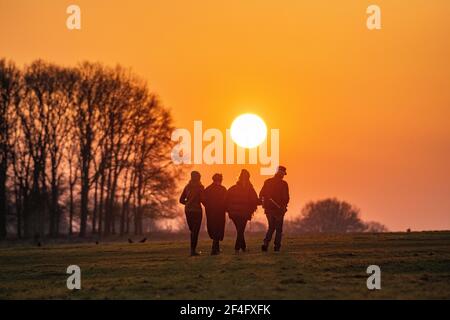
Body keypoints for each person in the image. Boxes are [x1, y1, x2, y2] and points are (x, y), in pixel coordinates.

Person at [226, 169, 260, 253]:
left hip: (234, 214)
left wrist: (229, 210)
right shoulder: (250, 189)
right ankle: (237, 248)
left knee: (240, 230)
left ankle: (243, 248)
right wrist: (261, 202)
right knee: (240, 230)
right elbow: (255, 200)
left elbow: (225, 200)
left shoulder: (232, 188)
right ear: (248, 178)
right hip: (244, 213)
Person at [259, 166, 290, 252]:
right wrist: (283, 206)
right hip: (279, 210)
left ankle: (266, 243)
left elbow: (261, 194)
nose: (284, 176)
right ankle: (277, 246)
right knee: (278, 229)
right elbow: (286, 198)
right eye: (283, 174)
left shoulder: (268, 182)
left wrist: (264, 203)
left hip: (268, 210)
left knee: (271, 227)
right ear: (282, 174)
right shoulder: (284, 184)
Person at [179, 171, 204, 256]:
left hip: (188, 211)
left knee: (192, 231)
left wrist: (188, 203)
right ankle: (193, 251)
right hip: (197, 211)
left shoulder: (187, 187)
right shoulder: (200, 187)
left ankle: (192, 251)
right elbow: (203, 200)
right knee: (195, 231)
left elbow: (181, 200)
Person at [202, 173, 227, 255]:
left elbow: (203, 200)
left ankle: (216, 248)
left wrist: (208, 206)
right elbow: (226, 200)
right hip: (219, 212)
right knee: (218, 229)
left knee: (213, 229)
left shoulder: (208, 189)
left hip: (211, 212)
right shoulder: (223, 189)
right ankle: (214, 249)